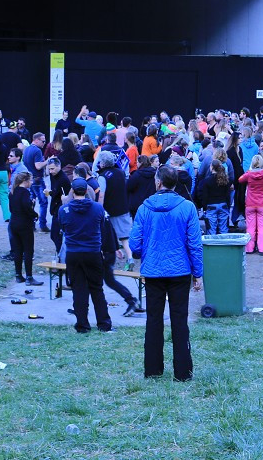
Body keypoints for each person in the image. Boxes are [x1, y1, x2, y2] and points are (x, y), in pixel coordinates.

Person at [129, 164, 204, 381]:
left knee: (154, 320)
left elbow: (134, 244)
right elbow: (195, 244)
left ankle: (153, 370)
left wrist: (149, 250)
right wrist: (197, 274)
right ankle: (183, 372)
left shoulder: (144, 208)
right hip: (179, 272)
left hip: (154, 271)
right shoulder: (187, 207)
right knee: (180, 321)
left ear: (158, 182)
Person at [58, 177, 113, 333]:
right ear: (87, 190)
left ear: (72, 191)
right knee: (97, 288)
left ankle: (82, 325)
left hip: (74, 253)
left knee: (78, 289)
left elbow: (62, 227)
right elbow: (102, 227)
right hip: (93, 252)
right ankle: (104, 323)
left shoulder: (64, 210)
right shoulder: (97, 208)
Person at [98, 151, 133, 269]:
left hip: (109, 210)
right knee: (124, 237)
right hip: (123, 207)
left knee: (107, 235)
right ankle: (130, 257)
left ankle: (108, 262)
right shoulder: (121, 172)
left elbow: (101, 195)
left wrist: (99, 209)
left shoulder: (103, 177)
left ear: (102, 163)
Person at [8, 172, 42, 286]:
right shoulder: (25, 193)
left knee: (18, 250)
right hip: (24, 224)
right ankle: (29, 276)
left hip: (14, 223)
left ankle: (18, 275)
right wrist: (34, 214)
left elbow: (12, 208)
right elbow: (26, 207)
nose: (31, 183)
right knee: (28, 250)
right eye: (30, 180)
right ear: (25, 181)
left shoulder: (13, 192)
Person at [198, 155, 233, 236]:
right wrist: (228, 205)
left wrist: (204, 207)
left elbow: (205, 196)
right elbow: (228, 194)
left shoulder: (207, 181)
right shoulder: (225, 180)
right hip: (223, 204)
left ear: (211, 167)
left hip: (211, 205)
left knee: (211, 230)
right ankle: (224, 247)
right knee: (224, 229)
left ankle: (213, 247)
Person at [23, 132, 49, 233]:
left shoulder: (27, 149)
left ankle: (31, 224)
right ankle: (42, 225)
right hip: (37, 179)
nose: (44, 143)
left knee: (31, 202)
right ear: (36, 140)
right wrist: (48, 161)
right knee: (43, 202)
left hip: (29, 179)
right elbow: (38, 166)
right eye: (43, 141)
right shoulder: (37, 151)